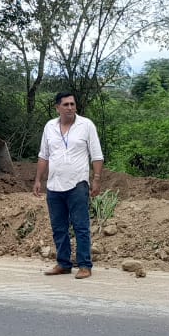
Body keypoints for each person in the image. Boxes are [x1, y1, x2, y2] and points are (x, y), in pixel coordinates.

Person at [33, 92, 104, 279]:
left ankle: (84, 265)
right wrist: (38, 179)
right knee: (59, 227)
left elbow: (97, 155)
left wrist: (96, 179)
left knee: (81, 226)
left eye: (72, 104)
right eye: (66, 104)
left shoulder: (86, 125)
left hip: (77, 184)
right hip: (54, 185)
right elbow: (43, 155)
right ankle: (63, 264)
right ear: (57, 107)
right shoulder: (49, 127)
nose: (70, 107)